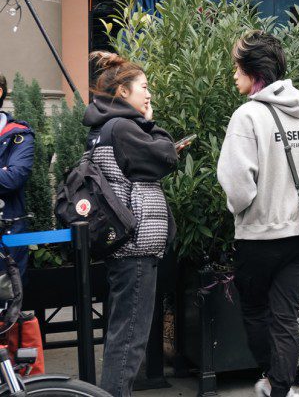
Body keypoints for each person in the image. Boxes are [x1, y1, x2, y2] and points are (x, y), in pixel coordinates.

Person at [217, 31, 299, 397]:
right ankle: (280, 388)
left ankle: (272, 377)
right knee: (286, 316)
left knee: (254, 311)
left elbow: (237, 186)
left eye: (238, 66)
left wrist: (243, 209)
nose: (234, 74)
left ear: (254, 70)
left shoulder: (248, 116)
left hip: (258, 235)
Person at [82, 52, 180, 397]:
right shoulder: (123, 127)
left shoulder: (102, 128)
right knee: (129, 338)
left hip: (123, 244)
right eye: (144, 86)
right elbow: (166, 157)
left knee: (122, 332)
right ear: (123, 91)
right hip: (135, 245)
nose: (149, 93)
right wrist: (152, 125)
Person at [0, 73, 34, 280]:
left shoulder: (19, 134)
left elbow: (14, 178)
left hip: (7, 231)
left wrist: (7, 173)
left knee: (8, 306)